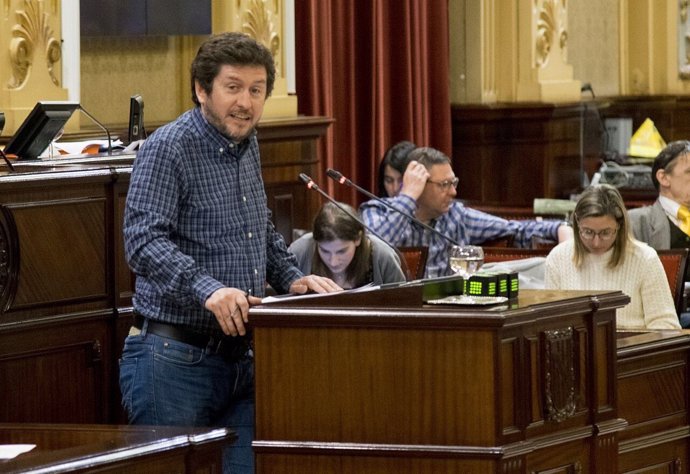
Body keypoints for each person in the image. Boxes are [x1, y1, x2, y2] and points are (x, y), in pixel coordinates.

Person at [120, 32, 341, 474]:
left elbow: (257, 228)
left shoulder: (246, 143)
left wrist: (290, 277)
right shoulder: (169, 147)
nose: (246, 102)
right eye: (233, 87)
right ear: (203, 90)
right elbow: (142, 243)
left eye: (256, 90)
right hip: (173, 361)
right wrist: (210, 290)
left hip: (244, 358)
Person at [360, 146, 572, 278]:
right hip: (397, 319)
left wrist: (562, 230)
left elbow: (517, 229)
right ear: (419, 183)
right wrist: (407, 196)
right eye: (444, 184)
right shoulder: (377, 211)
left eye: (453, 182)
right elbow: (376, 244)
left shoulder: (456, 216)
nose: (453, 192)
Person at [545, 184, 680, 330]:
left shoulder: (645, 259)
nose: (596, 243)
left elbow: (667, 326)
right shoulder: (558, 258)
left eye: (605, 233)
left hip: (631, 347)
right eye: (588, 232)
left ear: (620, 226)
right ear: (577, 224)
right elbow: (551, 325)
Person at [289, 201, 406, 288]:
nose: (333, 261)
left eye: (341, 251)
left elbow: (402, 306)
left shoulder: (382, 255)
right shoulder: (300, 250)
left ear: (358, 239)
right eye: (324, 251)